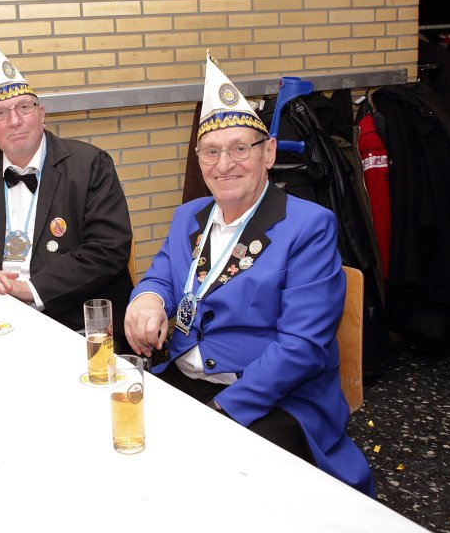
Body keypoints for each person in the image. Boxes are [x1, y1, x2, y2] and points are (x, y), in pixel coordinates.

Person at [125, 53, 374, 496]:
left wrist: (222, 411)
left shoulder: (309, 226)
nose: (224, 164)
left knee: (203, 478)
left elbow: (301, 347)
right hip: (184, 376)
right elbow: (161, 275)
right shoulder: (189, 216)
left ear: (269, 153)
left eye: (240, 148)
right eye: (211, 152)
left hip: (272, 394)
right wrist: (148, 297)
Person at [0, 38, 134, 334]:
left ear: (41, 114)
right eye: (0, 113)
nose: (15, 121)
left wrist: (30, 289)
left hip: (75, 322)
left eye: (24, 107)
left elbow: (108, 249)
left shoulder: (90, 165)